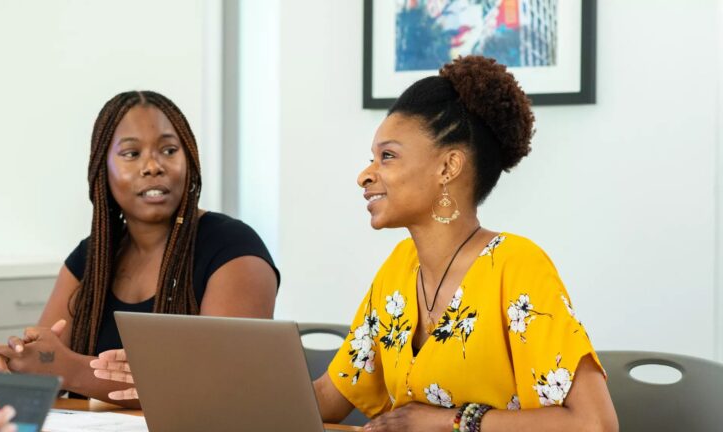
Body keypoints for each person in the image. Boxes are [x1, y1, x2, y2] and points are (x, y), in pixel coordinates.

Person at [90, 57, 618, 431]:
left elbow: (593, 424)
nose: (366, 175)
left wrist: (447, 423)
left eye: (387, 156)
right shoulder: (398, 273)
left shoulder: (517, 267)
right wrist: (179, 381)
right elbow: (325, 401)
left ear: (449, 165)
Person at [0, 91, 279, 406]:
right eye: (131, 154)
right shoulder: (91, 257)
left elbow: (216, 385)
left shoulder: (234, 248)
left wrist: (71, 370)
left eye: (169, 150)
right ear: (102, 171)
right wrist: (21, 368)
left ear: (188, 161)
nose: (153, 166)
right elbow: (46, 359)